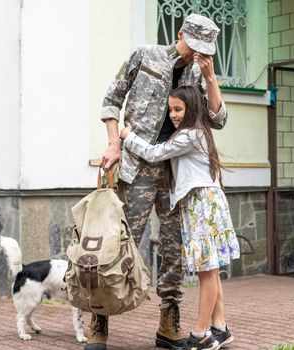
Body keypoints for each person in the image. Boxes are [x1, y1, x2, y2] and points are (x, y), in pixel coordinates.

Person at [96, 14, 228, 350]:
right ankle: (99, 320)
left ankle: (169, 323)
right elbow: (112, 100)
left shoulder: (200, 72)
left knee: (174, 253)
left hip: (175, 175)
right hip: (136, 171)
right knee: (119, 244)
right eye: (193, 46)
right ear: (180, 34)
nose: (194, 54)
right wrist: (114, 142)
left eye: (203, 49)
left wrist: (211, 78)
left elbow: (219, 119)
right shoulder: (145, 56)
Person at [120, 85, 240, 350]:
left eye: (178, 109)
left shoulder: (189, 136)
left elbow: (154, 153)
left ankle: (200, 335)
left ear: (191, 109)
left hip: (202, 205)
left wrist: (128, 137)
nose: (173, 115)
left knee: (206, 273)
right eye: (171, 109)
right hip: (204, 203)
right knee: (211, 271)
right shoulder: (196, 133)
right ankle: (220, 327)